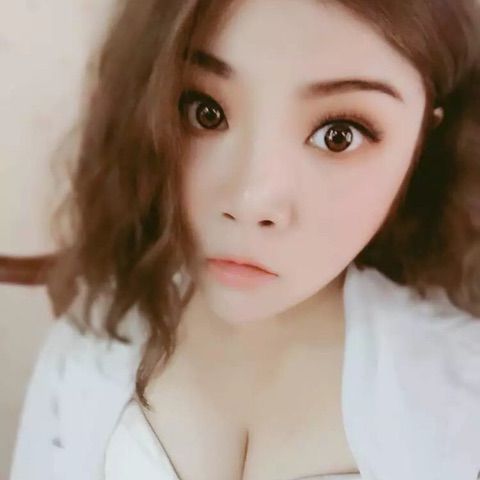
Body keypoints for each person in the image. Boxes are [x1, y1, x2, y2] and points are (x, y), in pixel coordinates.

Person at [9, 0, 480, 479]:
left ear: (424, 139)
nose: (250, 202)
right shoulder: (93, 333)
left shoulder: (463, 397)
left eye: (339, 135)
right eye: (205, 112)